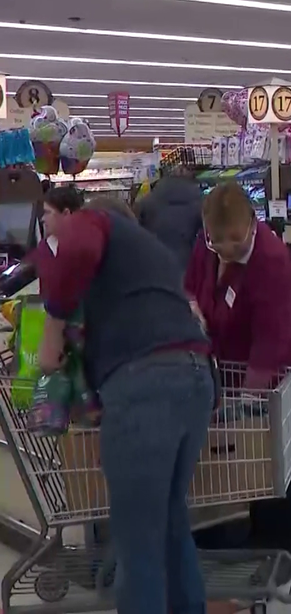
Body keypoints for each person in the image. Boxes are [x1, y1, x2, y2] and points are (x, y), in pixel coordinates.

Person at [37, 194, 214, 614]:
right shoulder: (152, 253)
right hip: (194, 378)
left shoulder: (96, 221)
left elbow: (78, 246)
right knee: (170, 523)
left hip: (145, 385)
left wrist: (51, 329)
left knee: (138, 541)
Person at [184, 182, 291, 572]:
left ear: (252, 224)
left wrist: (245, 398)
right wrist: (193, 308)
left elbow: (271, 340)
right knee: (256, 458)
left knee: (278, 455)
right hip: (232, 363)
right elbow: (192, 284)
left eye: (234, 240)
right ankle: (264, 535)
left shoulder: (271, 260)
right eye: (217, 240)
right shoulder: (206, 245)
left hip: (280, 371)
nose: (225, 248)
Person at [136, 166, 205, 270]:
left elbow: (138, 231)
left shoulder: (147, 201)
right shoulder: (201, 203)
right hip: (189, 263)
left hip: (155, 260)